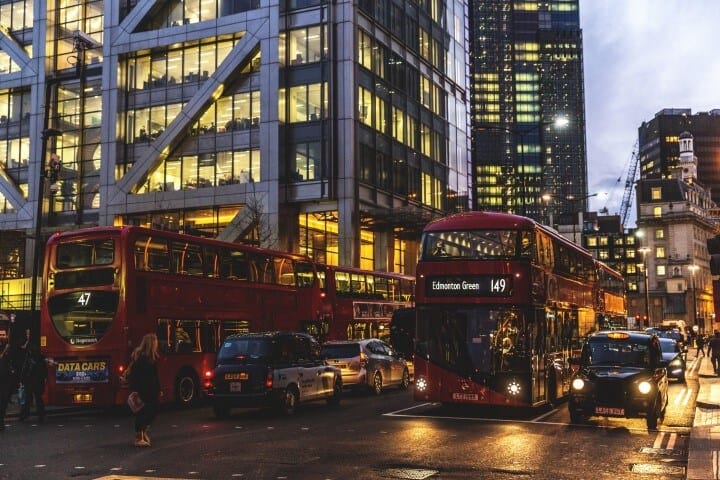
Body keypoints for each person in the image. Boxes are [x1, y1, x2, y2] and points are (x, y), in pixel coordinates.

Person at [127, 333, 161, 447]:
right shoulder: (141, 359)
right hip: (143, 389)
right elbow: (135, 375)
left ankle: (143, 432)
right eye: (155, 342)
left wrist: (159, 388)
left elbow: (155, 376)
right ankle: (138, 437)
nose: (157, 344)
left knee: (153, 410)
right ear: (151, 343)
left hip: (151, 389)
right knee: (142, 412)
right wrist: (135, 389)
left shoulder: (153, 358)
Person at [18, 343, 47, 423]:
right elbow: (44, 371)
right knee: (38, 399)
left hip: (29, 381)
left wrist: (21, 381)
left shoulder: (29, 358)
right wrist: (44, 379)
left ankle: (24, 415)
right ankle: (41, 415)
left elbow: (24, 370)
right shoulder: (41, 358)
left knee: (27, 399)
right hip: (38, 381)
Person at [0, 340, 13, 430]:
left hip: (4, 383)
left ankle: (1, 422)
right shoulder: (4, 356)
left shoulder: (6, 357)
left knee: (3, 403)